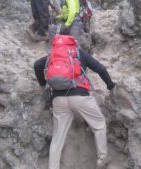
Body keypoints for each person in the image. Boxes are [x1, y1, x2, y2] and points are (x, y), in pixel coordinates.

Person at [33, 39, 116, 169]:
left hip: (58, 99)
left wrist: (43, 84)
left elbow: (37, 65)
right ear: (73, 43)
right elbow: (100, 68)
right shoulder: (78, 53)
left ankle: (53, 167)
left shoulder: (53, 56)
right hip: (80, 97)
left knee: (58, 137)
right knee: (99, 125)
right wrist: (110, 85)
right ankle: (102, 158)